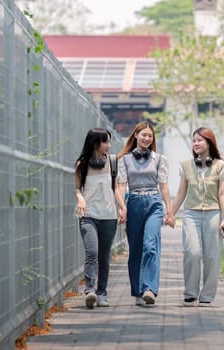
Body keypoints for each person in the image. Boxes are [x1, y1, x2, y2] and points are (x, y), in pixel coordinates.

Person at [169, 127, 224, 307]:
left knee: (212, 255)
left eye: (199, 140)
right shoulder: (186, 165)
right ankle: (190, 293)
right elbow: (181, 192)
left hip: (213, 213)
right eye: (194, 140)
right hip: (191, 214)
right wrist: (171, 213)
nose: (196, 143)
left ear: (209, 142)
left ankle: (207, 295)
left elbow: (222, 194)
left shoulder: (221, 166)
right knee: (192, 252)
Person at [115, 121, 173, 306]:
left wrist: (169, 211)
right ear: (135, 135)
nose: (147, 138)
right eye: (144, 135)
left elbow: (163, 185)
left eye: (150, 136)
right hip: (133, 203)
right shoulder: (124, 159)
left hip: (154, 203)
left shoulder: (160, 159)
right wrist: (122, 207)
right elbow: (122, 185)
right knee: (136, 251)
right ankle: (138, 291)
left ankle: (149, 289)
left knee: (150, 245)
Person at [74, 128, 119, 309]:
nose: (109, 145)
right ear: (95, 144)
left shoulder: (113, 162)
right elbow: (77, 188)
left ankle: (102, 294)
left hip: (109, 216)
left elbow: (115, 188)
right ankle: (90, 291)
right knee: (92, 252)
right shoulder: (82, 164)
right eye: (106, 142)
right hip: (88, 215)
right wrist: (81, 199)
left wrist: (122, 207)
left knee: (104, 257)